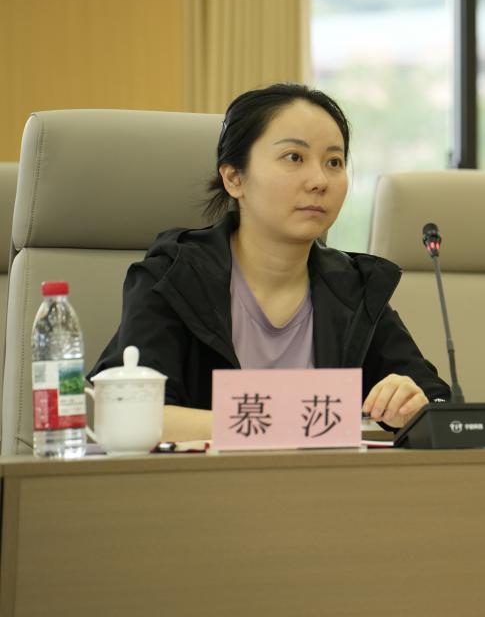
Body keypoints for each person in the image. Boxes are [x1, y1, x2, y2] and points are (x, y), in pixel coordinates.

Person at [92, 84, 450, 441]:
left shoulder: (354, 289)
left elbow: (437, 407)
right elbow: (127, 414)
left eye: (334, 162)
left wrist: (410, 403)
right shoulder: (174, 276)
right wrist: (289, 424)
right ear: (234, 178)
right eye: (294, 157)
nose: (319, 181)